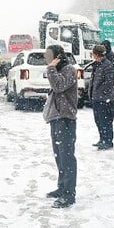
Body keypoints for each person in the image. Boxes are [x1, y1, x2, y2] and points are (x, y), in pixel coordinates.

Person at [43, 44, 78, 208]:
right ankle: (62, 187)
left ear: (57, 56)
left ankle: (69, 194)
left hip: (65, 119)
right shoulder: (58, 70)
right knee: (59, 155)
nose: (47, 59)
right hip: (56, 118)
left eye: (50, 55)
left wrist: (51, 69)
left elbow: (58, 86)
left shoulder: (69, 69)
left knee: (67, 157)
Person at [89, 45, 114, 150]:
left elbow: (109, 82)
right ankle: (102, 139)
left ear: (97, 54)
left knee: (105, 121)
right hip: (97, 98)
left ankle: (107, 141)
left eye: (94, 54)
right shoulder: (97, 65)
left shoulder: (107, 65)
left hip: (104, 99)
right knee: (99, 121)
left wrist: (100, 92)